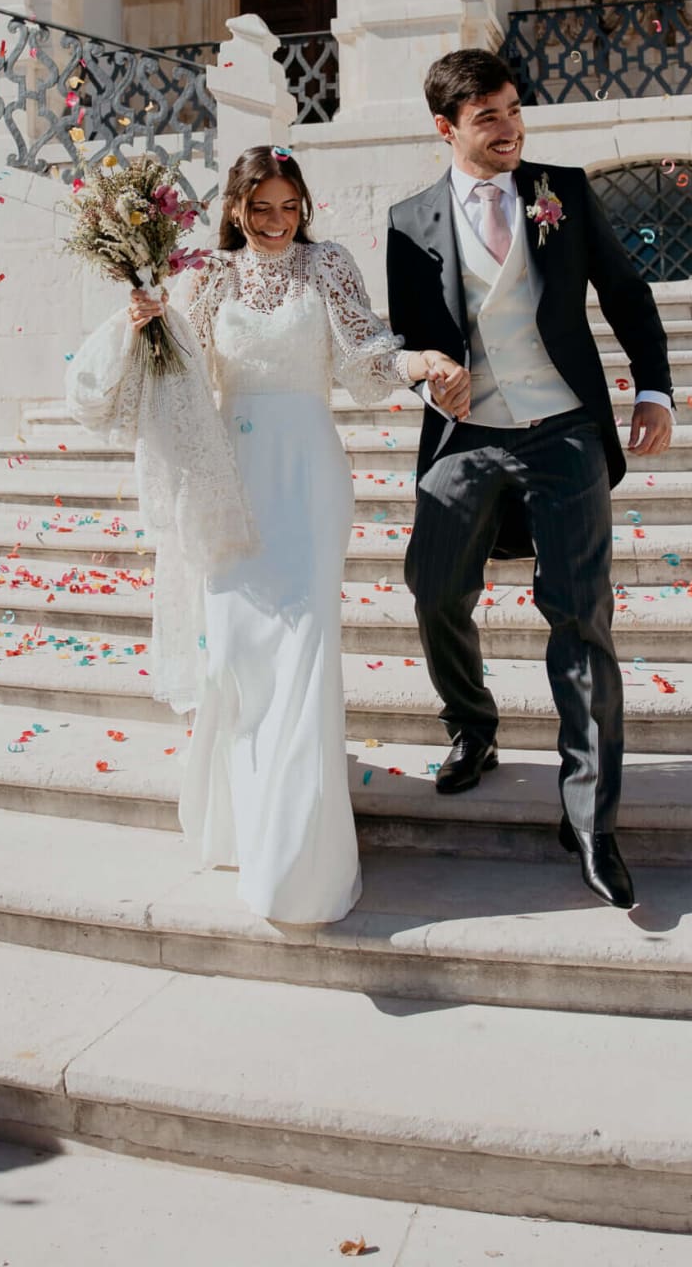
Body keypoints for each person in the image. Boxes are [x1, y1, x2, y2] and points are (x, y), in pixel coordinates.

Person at [128, 146, 467, 926]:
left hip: (309, 478)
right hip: (233, 476)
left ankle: (300, 869)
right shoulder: (210, 276)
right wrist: (149, 326)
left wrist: (422, 362)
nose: (277, 222)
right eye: (262, 208)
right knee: (240, 652)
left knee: (303, 654)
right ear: (236, 209)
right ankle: (247, 830)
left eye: (289, 207)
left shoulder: (328, 265)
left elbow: (365, 356)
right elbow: (180, 373)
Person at [386, 49, 674, 910]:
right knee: (435, 588)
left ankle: (590, 820)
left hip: (564, 429)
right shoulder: (408, 220)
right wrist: (430, 376)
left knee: (580, 618)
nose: (509, 128)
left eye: (514, 110)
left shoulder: (564, 192)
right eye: (489, 118)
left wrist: (653, 388)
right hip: (468, 435)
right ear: (447, 128)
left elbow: (625, 292)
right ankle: (472, 728)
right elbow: (409, 338)